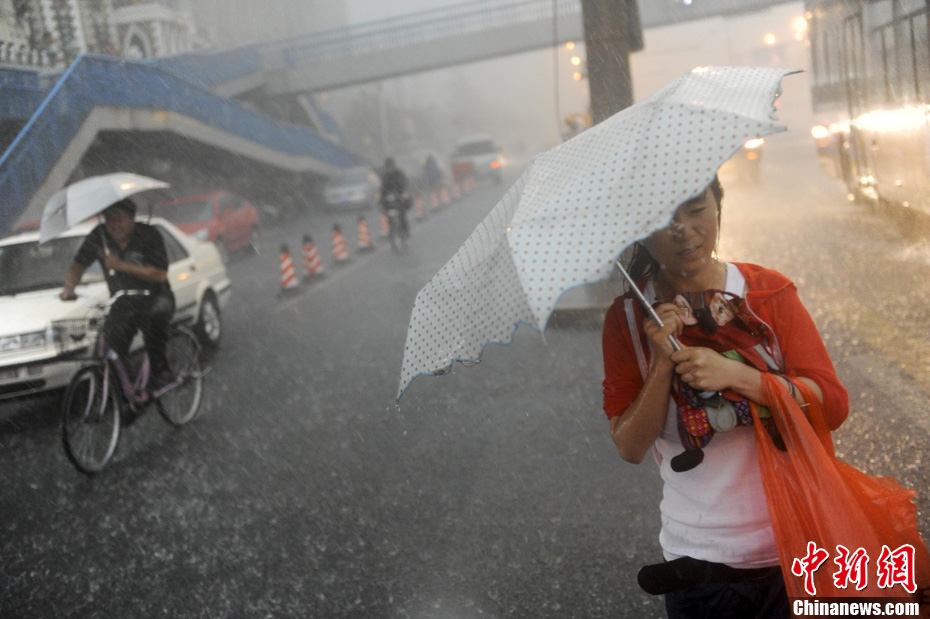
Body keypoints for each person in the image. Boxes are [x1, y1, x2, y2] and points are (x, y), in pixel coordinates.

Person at [601, 176, 849, 619]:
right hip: (700, 565)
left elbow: (831, 405)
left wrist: (740, 376)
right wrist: (661, 363)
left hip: (801, 548)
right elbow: (630, 445)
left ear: (718, 205)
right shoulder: (627, 319)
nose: (683, 230)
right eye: (663, 218)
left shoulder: (767, 293)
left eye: (696, 209)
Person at [60, 198, 176, 391]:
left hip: (155, 295)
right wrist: (68, 288)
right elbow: (78, 265)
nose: (114, 225)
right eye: (109, 220)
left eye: (119, 219)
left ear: (131, 219)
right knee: (112, 346)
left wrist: (121, 265)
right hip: (123, 301)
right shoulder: (99, 237)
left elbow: (159, 274)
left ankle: (161, 371)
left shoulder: (149, 234)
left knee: (155, 325)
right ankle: (123, 393)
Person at [380, 157, 410, 237]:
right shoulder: (385, 176)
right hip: (389, 197)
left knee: (402, 213)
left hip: (398, 195)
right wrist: (380, 195)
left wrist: (403, 192)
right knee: (386, 210)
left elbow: (403, 183)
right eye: (388, 167)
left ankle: (405, 230)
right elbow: (383, 187)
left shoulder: (399, 174)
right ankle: (390, 228)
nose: (389, 169)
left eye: (391, 167)